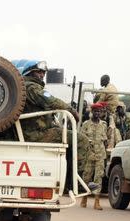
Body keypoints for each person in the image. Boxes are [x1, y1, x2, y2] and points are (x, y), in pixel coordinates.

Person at [13, 59, 98, 191]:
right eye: (38, 72)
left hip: (34, 131)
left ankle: (68, 181)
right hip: (35, 134)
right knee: (81, 140)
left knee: (67, 137)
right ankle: (78, 183)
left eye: (43, 72)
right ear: (30, 72)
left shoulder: (24, 86)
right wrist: (71, 110)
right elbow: (51, 101)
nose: (42, 75)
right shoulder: (31, 87)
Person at [80, 103, 108, 210]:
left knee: (98, 177)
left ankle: (97, 201)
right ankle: (84, 198)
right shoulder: (86, 124)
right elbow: (82, 139)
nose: (97, 113)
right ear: (92, 112)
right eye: (95, 111)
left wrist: (104, 153)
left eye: (99, 111)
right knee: (87, 176)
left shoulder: (103, 124)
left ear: (101, 113)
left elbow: (105, 140)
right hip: (89, 155)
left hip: (100, 155)